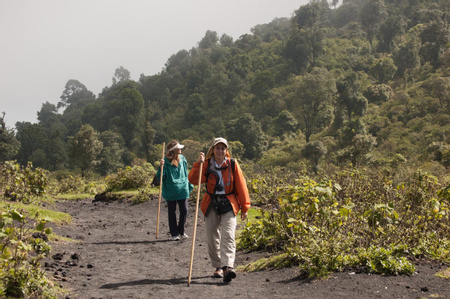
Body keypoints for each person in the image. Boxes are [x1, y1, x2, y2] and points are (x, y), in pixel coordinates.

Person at [188, 137, 250, 283]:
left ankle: (228, 266)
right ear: (213, 149)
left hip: (229, 203)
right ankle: (218, 267)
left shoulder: (232, 164)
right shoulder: (207, 164)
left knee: (228, 235)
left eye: (223, 148)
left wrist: (245, 207)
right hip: (211, 203)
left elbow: (241, 185)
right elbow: (193, 180)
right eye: (217, 148)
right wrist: (198, 164)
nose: (220, 151)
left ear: (226, 150)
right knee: (212, 235)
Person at [155, 140, 193, 241]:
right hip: (171, 190)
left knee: (184, 210)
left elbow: (185, 172)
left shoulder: (183, 159)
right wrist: (161, 166)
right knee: (172, 212)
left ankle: (181, 231)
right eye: (178, 148)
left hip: (183, 189)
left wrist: (189, 183)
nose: (180, 149)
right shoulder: (166, 161)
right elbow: (161, 177)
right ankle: (174, 233)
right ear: (173, 150)